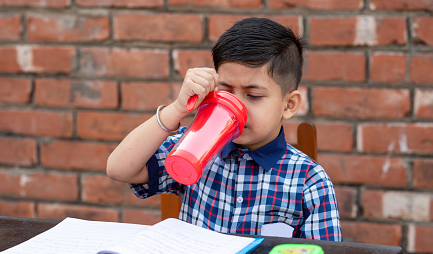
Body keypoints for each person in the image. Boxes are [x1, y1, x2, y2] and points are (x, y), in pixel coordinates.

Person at [107, 17, 342, 241]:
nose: (236, 106)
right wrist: (178, 108)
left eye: (253, 95)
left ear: (288, 105)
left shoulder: (308, 180)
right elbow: (119, 169)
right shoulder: (195, 147)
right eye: (226, 91)